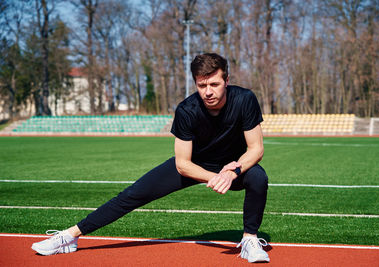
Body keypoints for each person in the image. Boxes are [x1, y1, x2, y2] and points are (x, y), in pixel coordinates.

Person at [31, 53, 270, 263]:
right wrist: (217, 177)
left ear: (226, 81)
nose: (208, 92)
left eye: (215, 84)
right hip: (195, 165)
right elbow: (183, 164)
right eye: (201, 85)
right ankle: (69, 236)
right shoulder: (187, 110)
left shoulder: (244, 99)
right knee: (131, 195)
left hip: (233, 166)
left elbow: (256, 149)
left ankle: (249, 240)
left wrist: (231, 172)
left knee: (258, 178)